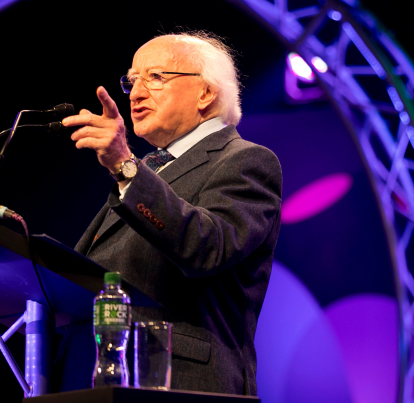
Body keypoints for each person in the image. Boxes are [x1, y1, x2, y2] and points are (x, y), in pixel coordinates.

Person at [58, 32, 282, 395]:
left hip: (175, 383)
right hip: (95, 379)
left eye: (156, 77)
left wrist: (125, 166)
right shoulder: (148, 168)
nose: (137, 93)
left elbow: (206, 247)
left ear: (205, 93)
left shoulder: (246, 161)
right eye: (131, 82)